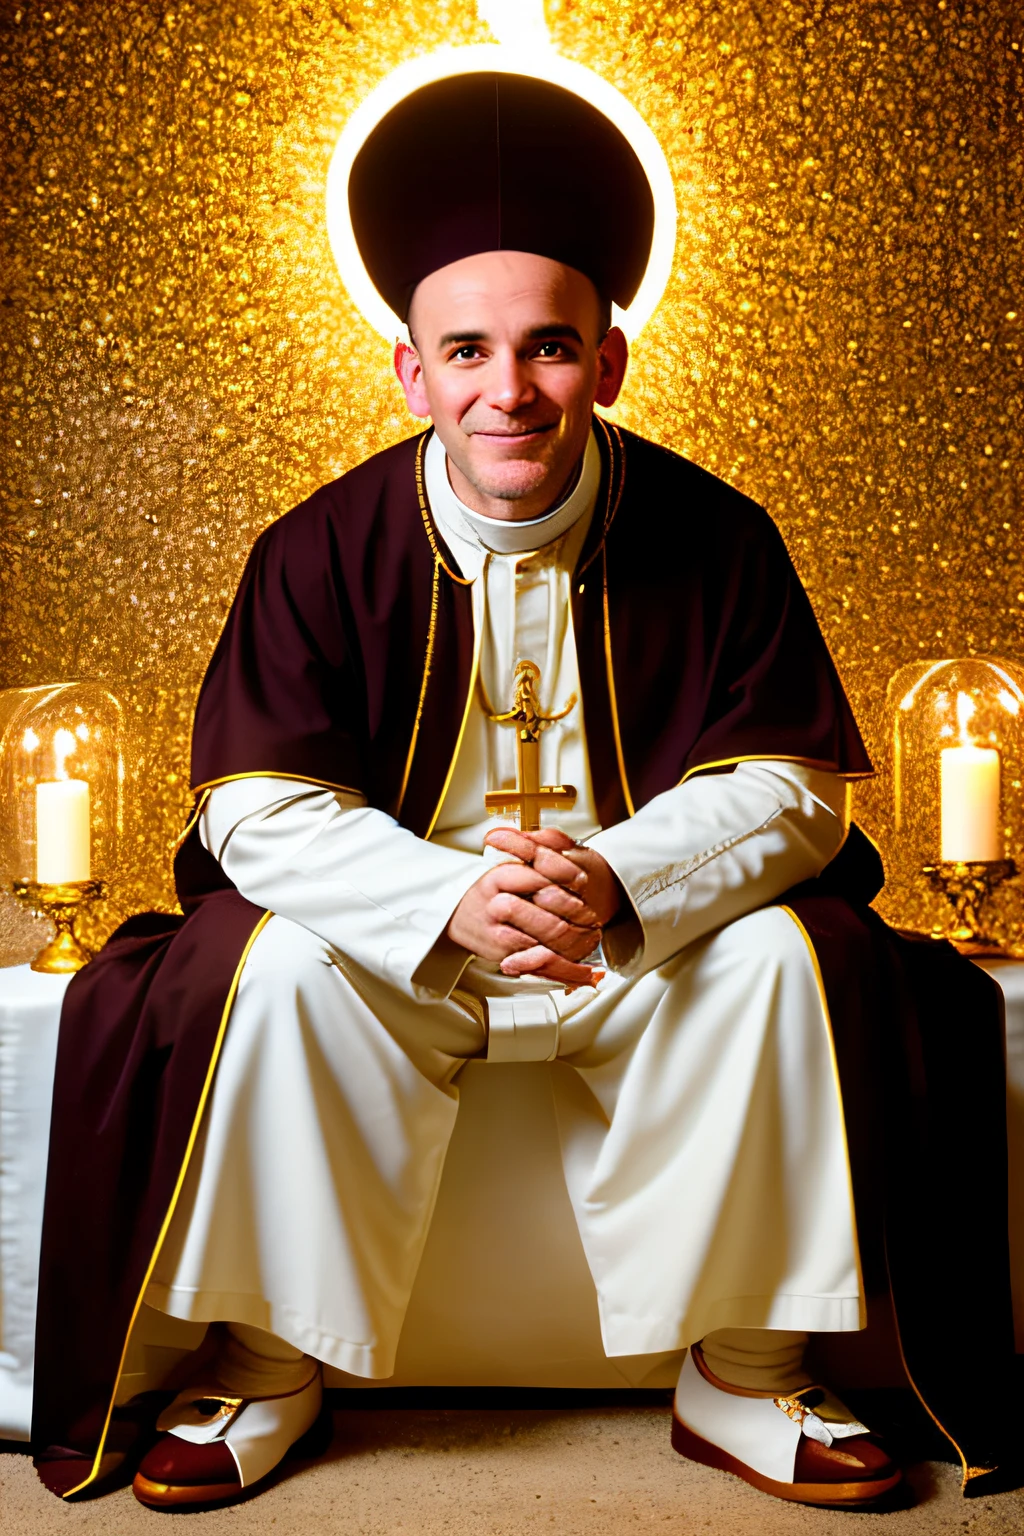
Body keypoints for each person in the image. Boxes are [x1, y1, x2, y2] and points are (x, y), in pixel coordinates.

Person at [33, 71, 1014, 1512]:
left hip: (634, 943)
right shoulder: (315, 548)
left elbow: (798, 792)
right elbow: (252, 809)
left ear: (608, 360)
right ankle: (267, 1366)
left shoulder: (720, 535)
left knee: (779, 954)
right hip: (405, 949)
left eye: (550, 348)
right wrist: (452, 899)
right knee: (276, 964)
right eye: (470, 350)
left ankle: (742, 1372)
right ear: (410, 371)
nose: (511, 389)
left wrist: (619, 881)